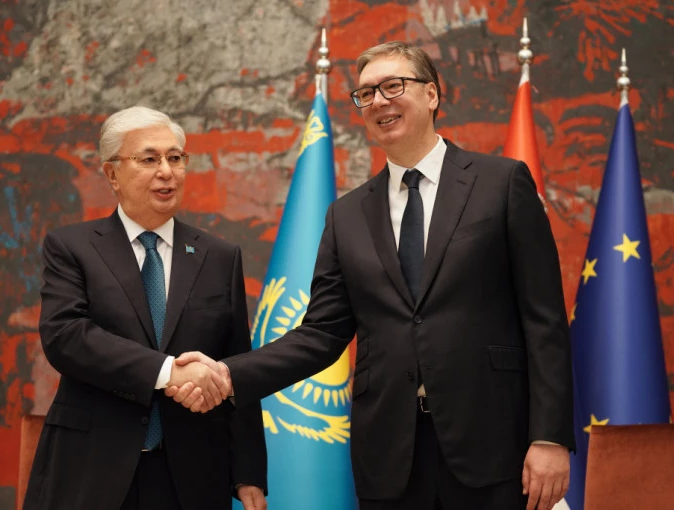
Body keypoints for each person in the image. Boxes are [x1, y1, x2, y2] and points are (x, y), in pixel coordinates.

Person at [171, 41, 574, 510]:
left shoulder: (500, 184)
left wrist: (549, 437)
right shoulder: (346, 215)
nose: (379, 101)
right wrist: (226, 373)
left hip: (494, 445)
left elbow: (544, 319)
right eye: (365, 93)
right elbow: (321, 334)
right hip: (390, 457)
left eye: (393, 86)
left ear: (431, 94)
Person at [23, 106, 268, 510]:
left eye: (175, 158)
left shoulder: (219, 256)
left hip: (192, 473)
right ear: (112, 174)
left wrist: (248, 471)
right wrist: (167, 371)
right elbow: (66, 337)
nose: (166, 172)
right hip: (92, 466)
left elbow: (236, 361)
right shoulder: (73, 247)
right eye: (149, 159)